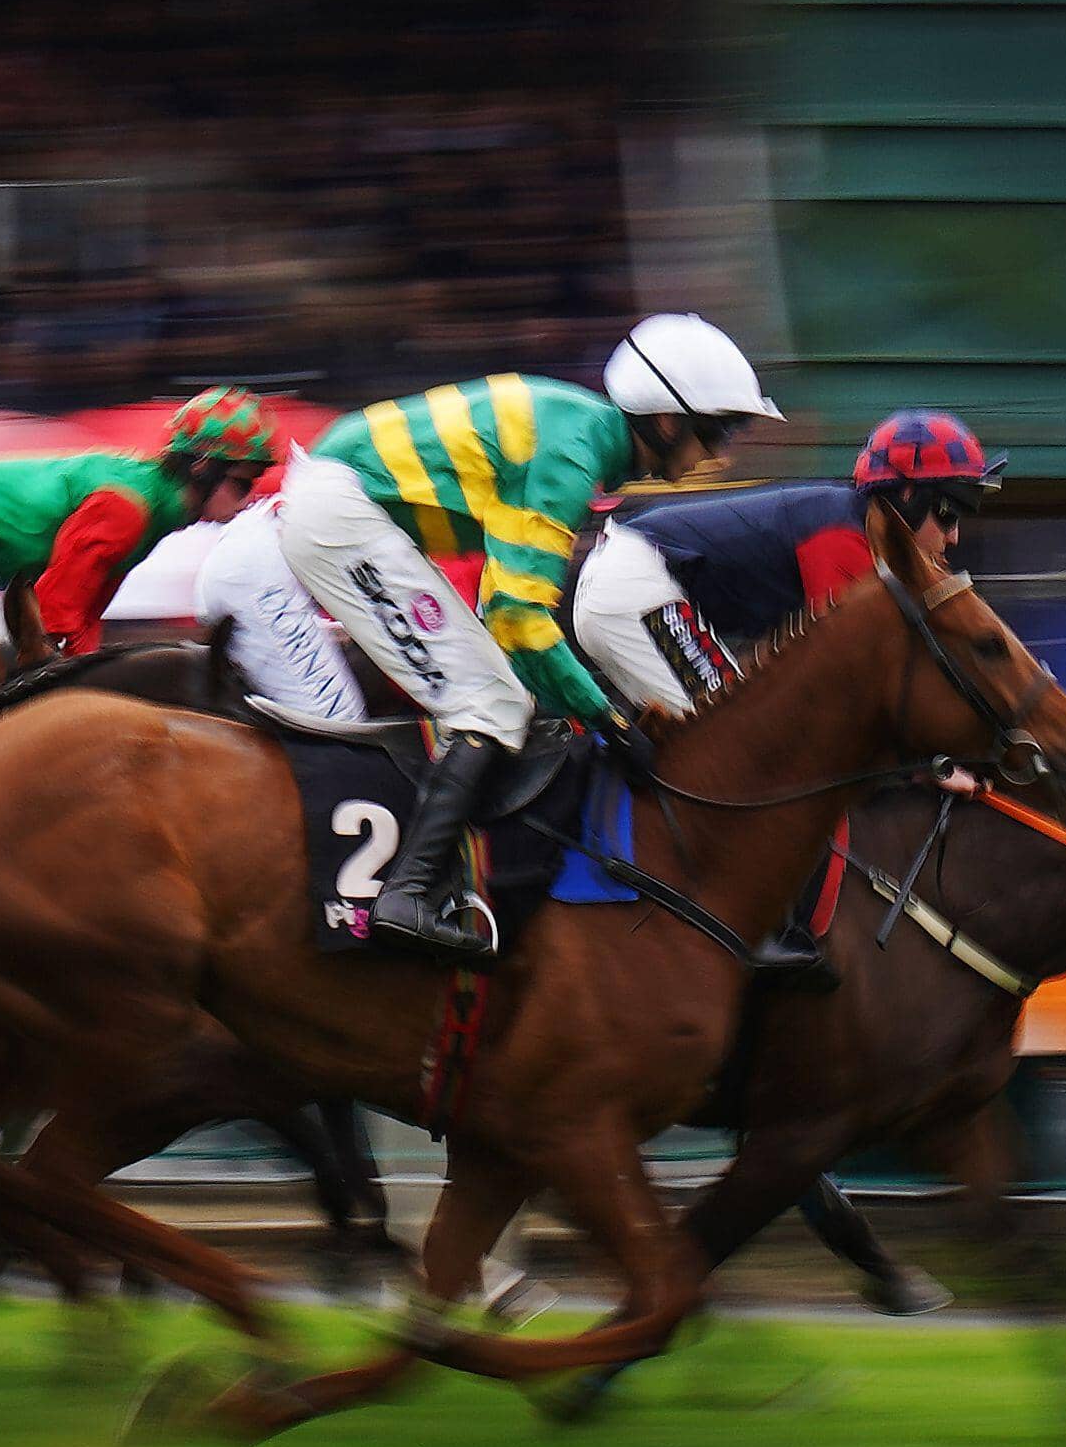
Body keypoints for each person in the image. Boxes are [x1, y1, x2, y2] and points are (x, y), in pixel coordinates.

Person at [274, 313, 781, 954]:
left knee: (506, 694)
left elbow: (503, 607)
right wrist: (610, 722)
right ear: (667, 421)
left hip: (348, 507)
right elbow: (518, 615)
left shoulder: (581, 435)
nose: (722, 453)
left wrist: (592, 709)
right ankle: (408, 893)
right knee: (492, 704)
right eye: (717, 431)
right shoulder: (573, 450)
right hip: (341, 512)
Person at [569, 406, 1003, 984]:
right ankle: (753, 926)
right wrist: (927, 768)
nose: (953, 537)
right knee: (756, 755)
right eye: (947, 511)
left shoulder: (855, 534)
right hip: (635, 587)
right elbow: (847, 699)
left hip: (633, 583)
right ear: (902, 499)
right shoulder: (844, 541)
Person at [0, 386, 278, 653]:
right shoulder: (128, 509)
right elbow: (54, 614)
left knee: (8, 670)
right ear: (203, 467)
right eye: (244, 483)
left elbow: (84, 615)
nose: (250, 497)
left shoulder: (155, 509)